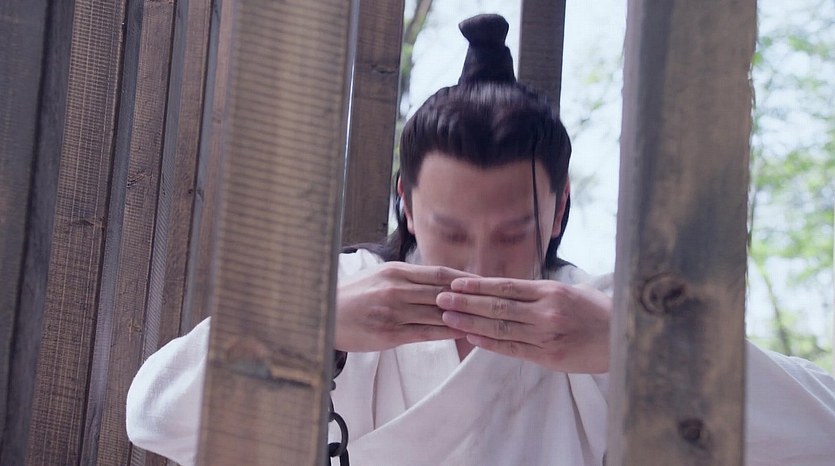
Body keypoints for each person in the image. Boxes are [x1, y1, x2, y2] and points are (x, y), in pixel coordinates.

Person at [126, 14, 835, 465]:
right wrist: (315, 327)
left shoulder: (598, 315)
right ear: (406, 204)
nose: (480, 264)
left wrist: (639, 348)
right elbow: (152, 416)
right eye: (451, 231)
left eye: (514, 231)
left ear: (559, 210)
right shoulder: (343, 294)